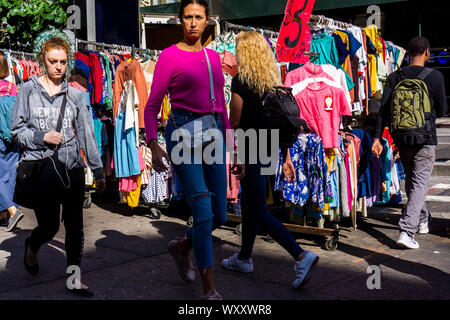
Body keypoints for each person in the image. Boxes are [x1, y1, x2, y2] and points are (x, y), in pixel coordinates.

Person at [144, 0, 230, 300]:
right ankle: (209, 288)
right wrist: (154, 144)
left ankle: (181, 248)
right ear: (180, 20)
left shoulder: (213, 58)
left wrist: (233, 146)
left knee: (220, 213)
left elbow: (221, 104)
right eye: (188, 17)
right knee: (203, 212)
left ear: (208, 21)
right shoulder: (168, 56)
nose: (193, 23)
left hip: (213, 131)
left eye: (199, 17)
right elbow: (152, 105)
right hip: (182, 133)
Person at [10, 31, 106, 296]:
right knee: (50, 226)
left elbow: (86, 133)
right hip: (42, 168)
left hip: (71, 167)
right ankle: (33, 244)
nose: (58, 67)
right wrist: (42, 137)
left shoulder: (75, 95)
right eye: (53, 61)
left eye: (63, 62)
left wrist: (97, 169)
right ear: (43, 59)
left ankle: (74, 278)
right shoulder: (28, 90)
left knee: (75, 227)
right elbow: (16, 131)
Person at [221, 31, 319, 289]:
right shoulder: (272, 81)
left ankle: (300, 255)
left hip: (250, 148)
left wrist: (236, 154)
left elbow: (235, 121)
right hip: (269, 150)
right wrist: (285, 156)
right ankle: (243, 258)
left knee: (258, 211)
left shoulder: (241, 81)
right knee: (249, 203)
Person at [372, 36, 448, 249]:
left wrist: (378, 138)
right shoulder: (435, 77)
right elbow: (442, 110)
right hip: (425, 138)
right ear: (426, 52)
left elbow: (384, 111)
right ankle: (407, 230)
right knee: (420, 182)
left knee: (413, 181)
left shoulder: (394, 77)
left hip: (401, 138)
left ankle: (422, 220)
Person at [0, 51, 24, 232]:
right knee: (9, 175)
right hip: (13, 136)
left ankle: (12, 210)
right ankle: (5, 215)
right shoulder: (11, 86)